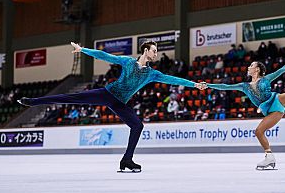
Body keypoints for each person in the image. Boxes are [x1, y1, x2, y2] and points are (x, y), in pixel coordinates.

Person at [18, 41, 206, 173]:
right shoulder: (128, 62)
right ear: (146, 50)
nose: (156, 54)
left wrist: (194, 84)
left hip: (120, 103)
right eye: (154, 51)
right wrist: (83, 50)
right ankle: (33, 101)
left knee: (138, 125)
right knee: (72, 97)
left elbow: (173, 79)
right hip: (107, 94)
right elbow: (104, 55)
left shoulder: (152, 73)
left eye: (156, 52)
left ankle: (127, 159)